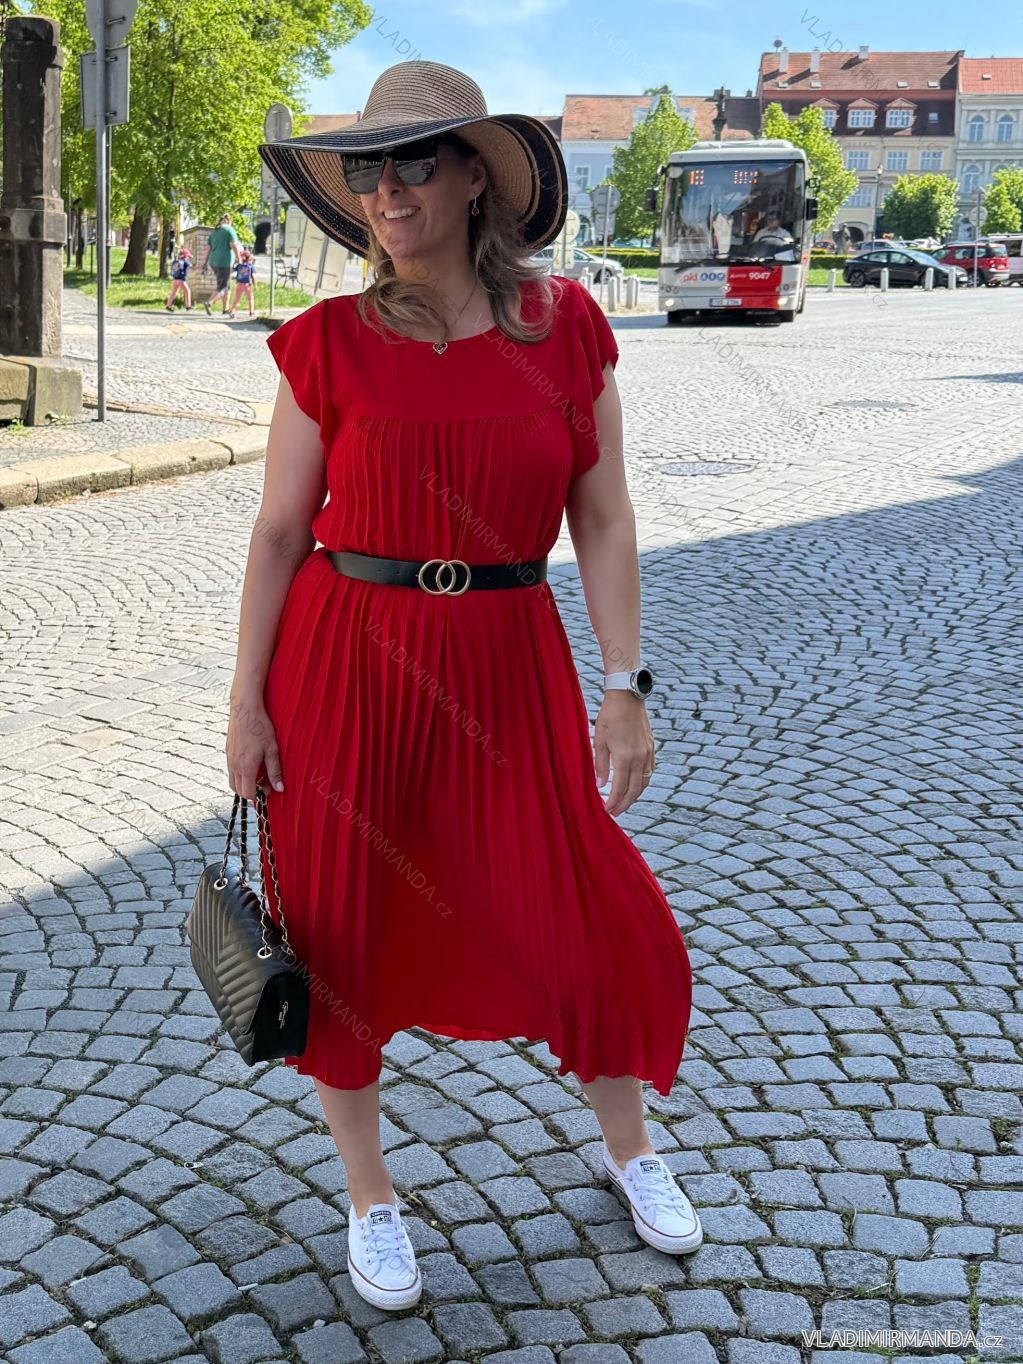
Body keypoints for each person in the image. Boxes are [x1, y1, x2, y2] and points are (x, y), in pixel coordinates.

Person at [228, 59, 699, 1314]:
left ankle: (630, 1146)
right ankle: (371, 1196)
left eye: (414, 163)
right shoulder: (328, 344)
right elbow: (278, 533)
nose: (388, 191)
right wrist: (245, 701)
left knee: (575, 902)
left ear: (477, 178)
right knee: (338, 924)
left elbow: (604, 517)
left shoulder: (564, 328)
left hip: (506, 658)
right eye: (368, 170)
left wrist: (624, 682)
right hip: (346, 661)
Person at [202, 212, 241, 314]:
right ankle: (209, 302)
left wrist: (204, 262)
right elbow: (233, 245)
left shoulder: (215, 231)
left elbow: (208, 248)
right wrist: (239, 259)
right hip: (225, 262)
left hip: (213, 261)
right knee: (223, 287)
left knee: (226, 285)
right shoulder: (229, 230)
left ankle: (225, 309)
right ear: (229, 221)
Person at [227, 249, 256, 318]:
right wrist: (255, 285)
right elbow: (253, 276)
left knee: (236, 299)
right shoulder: (251, 266)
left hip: (239, 284)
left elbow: (231, 271)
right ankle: (251, 312)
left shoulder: (239, 265)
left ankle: (232, 312)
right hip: (247, 285)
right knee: (250, 299)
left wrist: (235, 263)